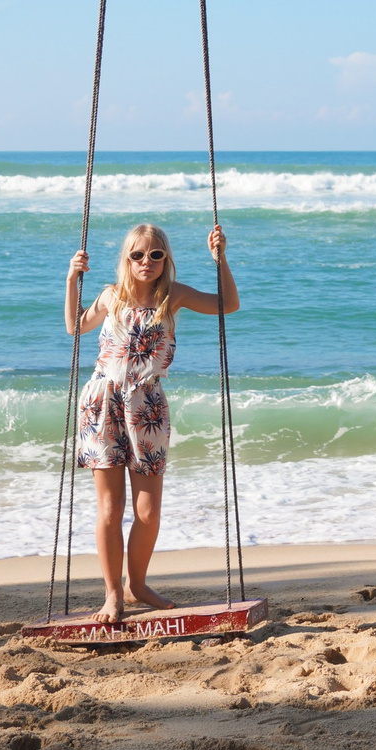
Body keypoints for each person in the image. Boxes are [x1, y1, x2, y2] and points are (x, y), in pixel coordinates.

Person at [65, 220, 240, 620]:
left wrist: (221, 259)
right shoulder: (111, 296)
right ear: (126, 259)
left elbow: (228, 305)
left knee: (147, 512)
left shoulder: (173, 296)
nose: (147, 261)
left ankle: (137, 585)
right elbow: (75, 326)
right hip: (102, 402)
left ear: (166, 260)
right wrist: (72, 279)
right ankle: (113, 595)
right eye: (138, 255)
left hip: (147, 407)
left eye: (156, 255)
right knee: (110, 508)